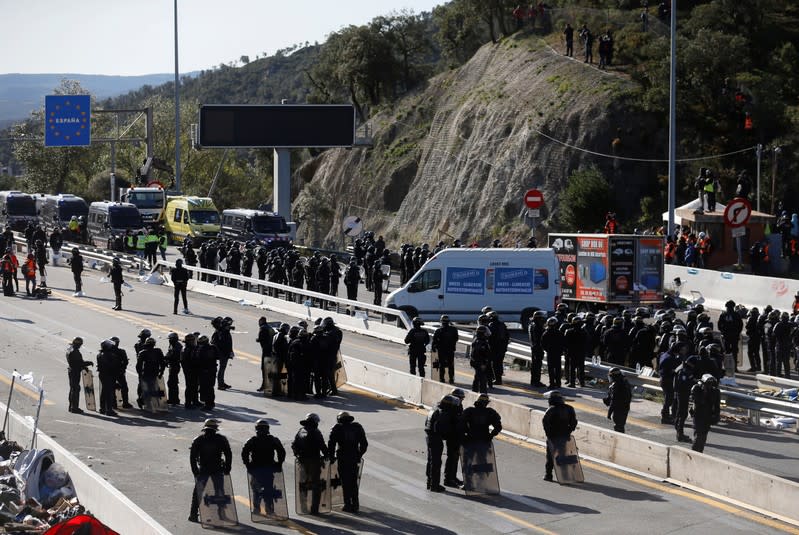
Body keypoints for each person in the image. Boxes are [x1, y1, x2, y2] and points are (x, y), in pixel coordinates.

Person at [189, 419, 233, 523]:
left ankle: (193, 514)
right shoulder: (221, 439)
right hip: (217, 469)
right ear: (215, 429)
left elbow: (192, 457)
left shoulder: (198, 440)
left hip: (204, 469)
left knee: (198, 492)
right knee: (220, 492)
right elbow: (228, 454)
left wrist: (195, 471)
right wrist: (227, 468)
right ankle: (221, 514)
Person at [242, 419, 286, 516]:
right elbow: (281, 452)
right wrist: (279, 464)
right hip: (266, 468)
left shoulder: (253, 440)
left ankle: (258, 509)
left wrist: (248, 465)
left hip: (258, 469)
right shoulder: (272, 439)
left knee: (257, 489)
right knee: (267, 489)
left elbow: (244, 452)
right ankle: (268, 509)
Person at [328, 411, 368, 513]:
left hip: (343, 458)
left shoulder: (337, 428)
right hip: (353, 457)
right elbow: (364, 444)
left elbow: (331, 444)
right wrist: (359, 455)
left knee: (345, 482)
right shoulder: (357, 427)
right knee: (353, 481)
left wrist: (331, 457)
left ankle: (347, 504)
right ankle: (355, 504)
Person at [291, 413, 329, 515]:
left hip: (302, 461)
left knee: (303, 484)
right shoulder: (316, 432)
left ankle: (303, 507)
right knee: (316, 485)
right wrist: (327, 455)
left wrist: (297, 455)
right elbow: (322, 445)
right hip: (314, 461)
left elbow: (294, 445)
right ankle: (314, 509)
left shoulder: (300, 431)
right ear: (315, 422)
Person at [424, 394, 459, 492]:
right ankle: (434, 485)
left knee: (431, 461)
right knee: (436, 463)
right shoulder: (442, 413)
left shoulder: (434, 409)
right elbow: (444, 430)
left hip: (429, 436)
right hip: (435, 438)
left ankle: (429, 482)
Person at [542, 391, 578, 482]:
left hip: (553, 436)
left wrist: (549, 434)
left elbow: (545, 422)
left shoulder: (551, 409)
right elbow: (574, 422)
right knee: (564, 455)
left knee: (550, 457)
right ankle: (566, 475)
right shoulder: (570, 408)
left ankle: (548, 475)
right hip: (565, 436)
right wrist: (569, 431)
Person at [690, 374, 720, 453]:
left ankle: (700, 452)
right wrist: (704, 391)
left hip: (708, 415)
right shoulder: (697, 389)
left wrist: (716, 416)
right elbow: (696, 400)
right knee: (698, 435)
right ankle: (694, 453)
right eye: (708, 384)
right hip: (698, 414)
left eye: (711, 384)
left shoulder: (715, 391)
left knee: (703, 436)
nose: (710, 386)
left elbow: (717, 406)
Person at [136, 337, 165, 408]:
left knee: (152, 387)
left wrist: (161, 372)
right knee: (144, 387)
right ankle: (141, 399)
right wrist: (140, 374)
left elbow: (162, 362)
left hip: (153, 372)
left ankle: (147, 400)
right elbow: (139, 365)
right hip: (146, 372)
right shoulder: (143, 353)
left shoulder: (157, 351)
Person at [66, 337, 93, 414]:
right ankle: (74, 408)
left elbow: (76, 362)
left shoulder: (70, 349)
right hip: (75, 371)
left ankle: (71, 406)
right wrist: (88, 363)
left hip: (72, 370)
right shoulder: (75, 351)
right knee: (75, 389)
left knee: (72, 389)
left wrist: (84, 366)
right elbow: (78, 363)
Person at [603, 367, 631, 433]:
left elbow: (614, 401)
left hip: (618, 409)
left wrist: (609, 413)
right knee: (621, 425)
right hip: (625, 408)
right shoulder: (625, 382)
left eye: (611, 376)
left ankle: (620, 440)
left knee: (618, 426)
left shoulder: (616, 386)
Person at [432, 315, 458, 384]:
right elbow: (456, 339)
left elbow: (434, 341)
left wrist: (434, 348)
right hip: (450, 349)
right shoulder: (453, 329)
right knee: (450, 364)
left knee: (442, 364)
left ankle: (442, 378)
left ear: (441, 321)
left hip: (442, 350)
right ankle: (451, 379)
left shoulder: (438, 330)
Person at [96, 340, 119, 416]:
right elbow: (113, 366)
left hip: (102, 374)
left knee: (104, 391)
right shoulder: (110, 355)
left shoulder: (99, 354)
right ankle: (109, 410)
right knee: (109, 392)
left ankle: (102, 408)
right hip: (108, 375)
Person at [110, 337, 133, 409]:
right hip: (119, 372)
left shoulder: (109, 351)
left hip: (114, 372)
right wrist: (122, 369)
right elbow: (125, 362)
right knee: (124, 387)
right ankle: (124, 403)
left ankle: (114, 403)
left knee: (113, 388)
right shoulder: (121, 351)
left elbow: (125, 362)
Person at [197, 335, 218, 411]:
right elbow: (217, 356)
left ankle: (208, 404)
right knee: (210, 387)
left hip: (205, 371)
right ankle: (210, 403)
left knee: (206, 388)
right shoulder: (213, 347)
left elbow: (199, 359)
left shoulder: (201, 349)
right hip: (212, 370)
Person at [211, 317, 234, 390]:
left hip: (224, 352)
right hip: (223, 353)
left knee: (222, 369)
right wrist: (227, 352)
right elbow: (223, 344)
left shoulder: (223, 330)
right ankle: (220, 384)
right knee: (222, 369)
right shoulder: (222, 332)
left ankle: (221, 382)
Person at [542, 317, 564, 388]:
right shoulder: (559, 333)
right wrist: (561, 351)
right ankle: (558, 383)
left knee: (551, 368)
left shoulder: (546, 333)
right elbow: (563, 343)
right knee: (558, 368)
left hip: (550, 353)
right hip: (557, 353)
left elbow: (542, 344)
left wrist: (547, 350)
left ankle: (552, 383)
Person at [470, 325, 493, 393]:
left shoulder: (479, 340)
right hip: (479, 363)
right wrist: (482, 364)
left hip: (478, 362)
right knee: (482, 379)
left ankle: (475, 391)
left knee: (477, 377)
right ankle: (483, 393)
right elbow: (477, 354)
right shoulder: (480, 342)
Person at [528, 311, 547, 387]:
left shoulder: (531, 325)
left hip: (534, 347)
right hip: (538, 347)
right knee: (537, 365)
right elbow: (540, 338)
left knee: (534, 365)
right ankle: (536, 381)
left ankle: (533, 380)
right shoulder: (537, 327)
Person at [256, 317, 276, 392]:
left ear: (261, 321)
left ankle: (265, 385)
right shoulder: (270, 328)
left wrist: (258, 340)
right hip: (272, 350)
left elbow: (261, 338)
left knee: (264, 369)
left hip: (266, 350)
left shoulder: (263, 328)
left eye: (259, 321)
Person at [165, 332, 182, 405]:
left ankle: (174, 399)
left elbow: (173, 356)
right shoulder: (172, 345)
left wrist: (166, 358)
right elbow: (169, 353)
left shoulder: (177, 346)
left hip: (175, 365)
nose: (169, 340)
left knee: (173, 383)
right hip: (172, 365)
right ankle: (172, 398)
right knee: (171, 383)